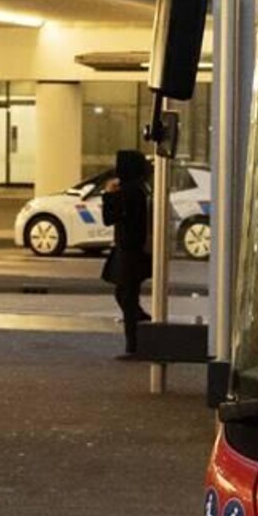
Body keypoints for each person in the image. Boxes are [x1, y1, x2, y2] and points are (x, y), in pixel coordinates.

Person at [100, 148, 153, 359]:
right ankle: (140, 328)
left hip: (129, 251)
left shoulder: (130, 191)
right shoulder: (139, 189)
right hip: (133, 250)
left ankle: (134, 344)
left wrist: (109, 195)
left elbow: (109, 218)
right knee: (125, 294)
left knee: (126, 296)